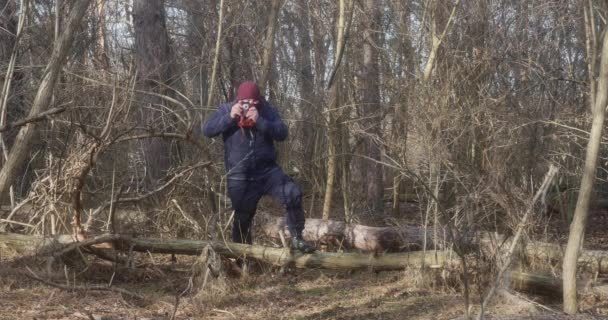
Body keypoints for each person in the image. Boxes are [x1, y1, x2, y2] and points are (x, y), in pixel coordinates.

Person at [202, 81, 315, 253]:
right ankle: (243, 258)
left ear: (258, 101)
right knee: (243, 218)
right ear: (238, 100)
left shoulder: (267, 110)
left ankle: (297, 239)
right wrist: (229, 117)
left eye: (252, 103)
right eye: (244, 103)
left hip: (267, 171)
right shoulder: (227, 109)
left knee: (292, 193)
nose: (247, 106)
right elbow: (207, 130)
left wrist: (260, 121)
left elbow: (282, 133)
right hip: (239, 174)